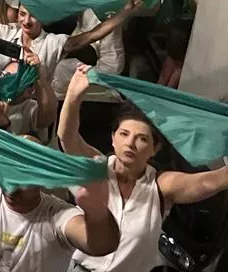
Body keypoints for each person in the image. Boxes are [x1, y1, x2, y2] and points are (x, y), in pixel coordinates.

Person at [58, 65, 228, 272]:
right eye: (124, 134)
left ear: (154, 149)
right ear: (112, 139)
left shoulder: (160, 186)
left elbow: (208, 182)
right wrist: (73, 95)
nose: (130, 143)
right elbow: (67, 136)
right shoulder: (97, 167)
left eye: (142, 139)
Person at [0, 143, 121, 272]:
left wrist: (96, 209)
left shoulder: (56, 215)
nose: (12, 188)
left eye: (22, 179)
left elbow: (101, 244)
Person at [0, 0, 142, 81]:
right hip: (2, 102)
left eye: (33, 16)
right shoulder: (7, 33)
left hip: (36, 108)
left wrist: (125, 12)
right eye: (22, 14)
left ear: (43, 18)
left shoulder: (54, 42)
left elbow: (94, 34)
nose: (26, 21)